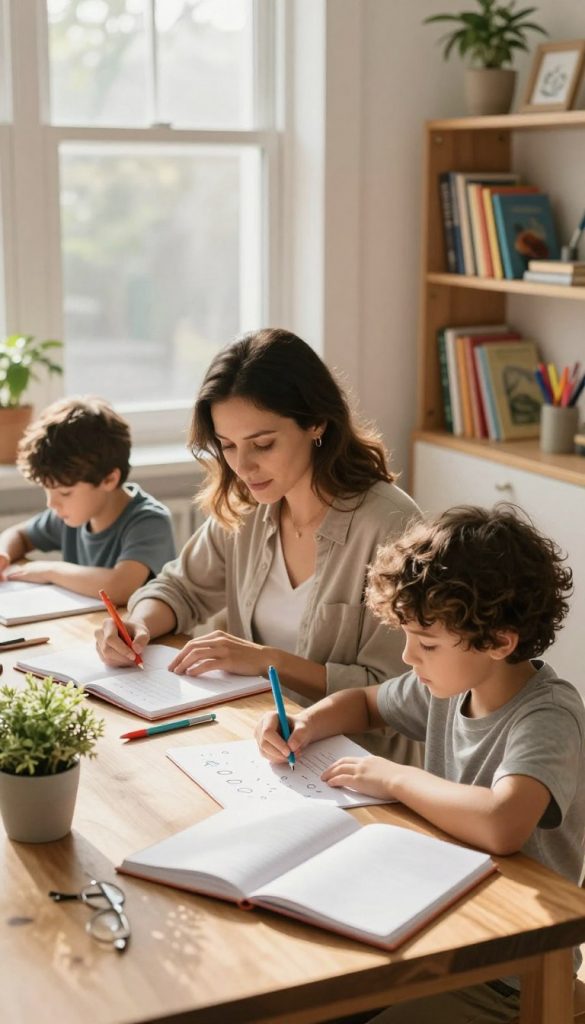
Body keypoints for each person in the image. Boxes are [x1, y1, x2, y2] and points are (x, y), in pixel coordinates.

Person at [256, 504, 585, 1024]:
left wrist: (396, 776)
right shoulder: (448, 683)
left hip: (509, 970)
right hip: (435, 924)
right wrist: (307, 724)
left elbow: (504, 822)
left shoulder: (548, 715)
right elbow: (366, 703)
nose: (409, 657)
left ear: (500, 641)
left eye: (426, 643)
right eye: (407, 637)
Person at [95, 326, 422, 763]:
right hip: (261, 742)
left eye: (262, 444)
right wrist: (138, 624)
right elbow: (179, 588)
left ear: (316, 423)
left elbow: (401, 691)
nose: (243, 466)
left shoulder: (392, 527)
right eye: (227, 446)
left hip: (357, 764)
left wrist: (268, 661)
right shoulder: (249, 506)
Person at [0, 396, 176, 605]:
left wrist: (50, 570)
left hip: (146, 637)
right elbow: (19, 535)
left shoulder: (150, 522)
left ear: (109, 479)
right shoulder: (72, 514)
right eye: (47, 490)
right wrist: (3, 554)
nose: (52, 504)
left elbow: (119, 587)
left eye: (65, 493)